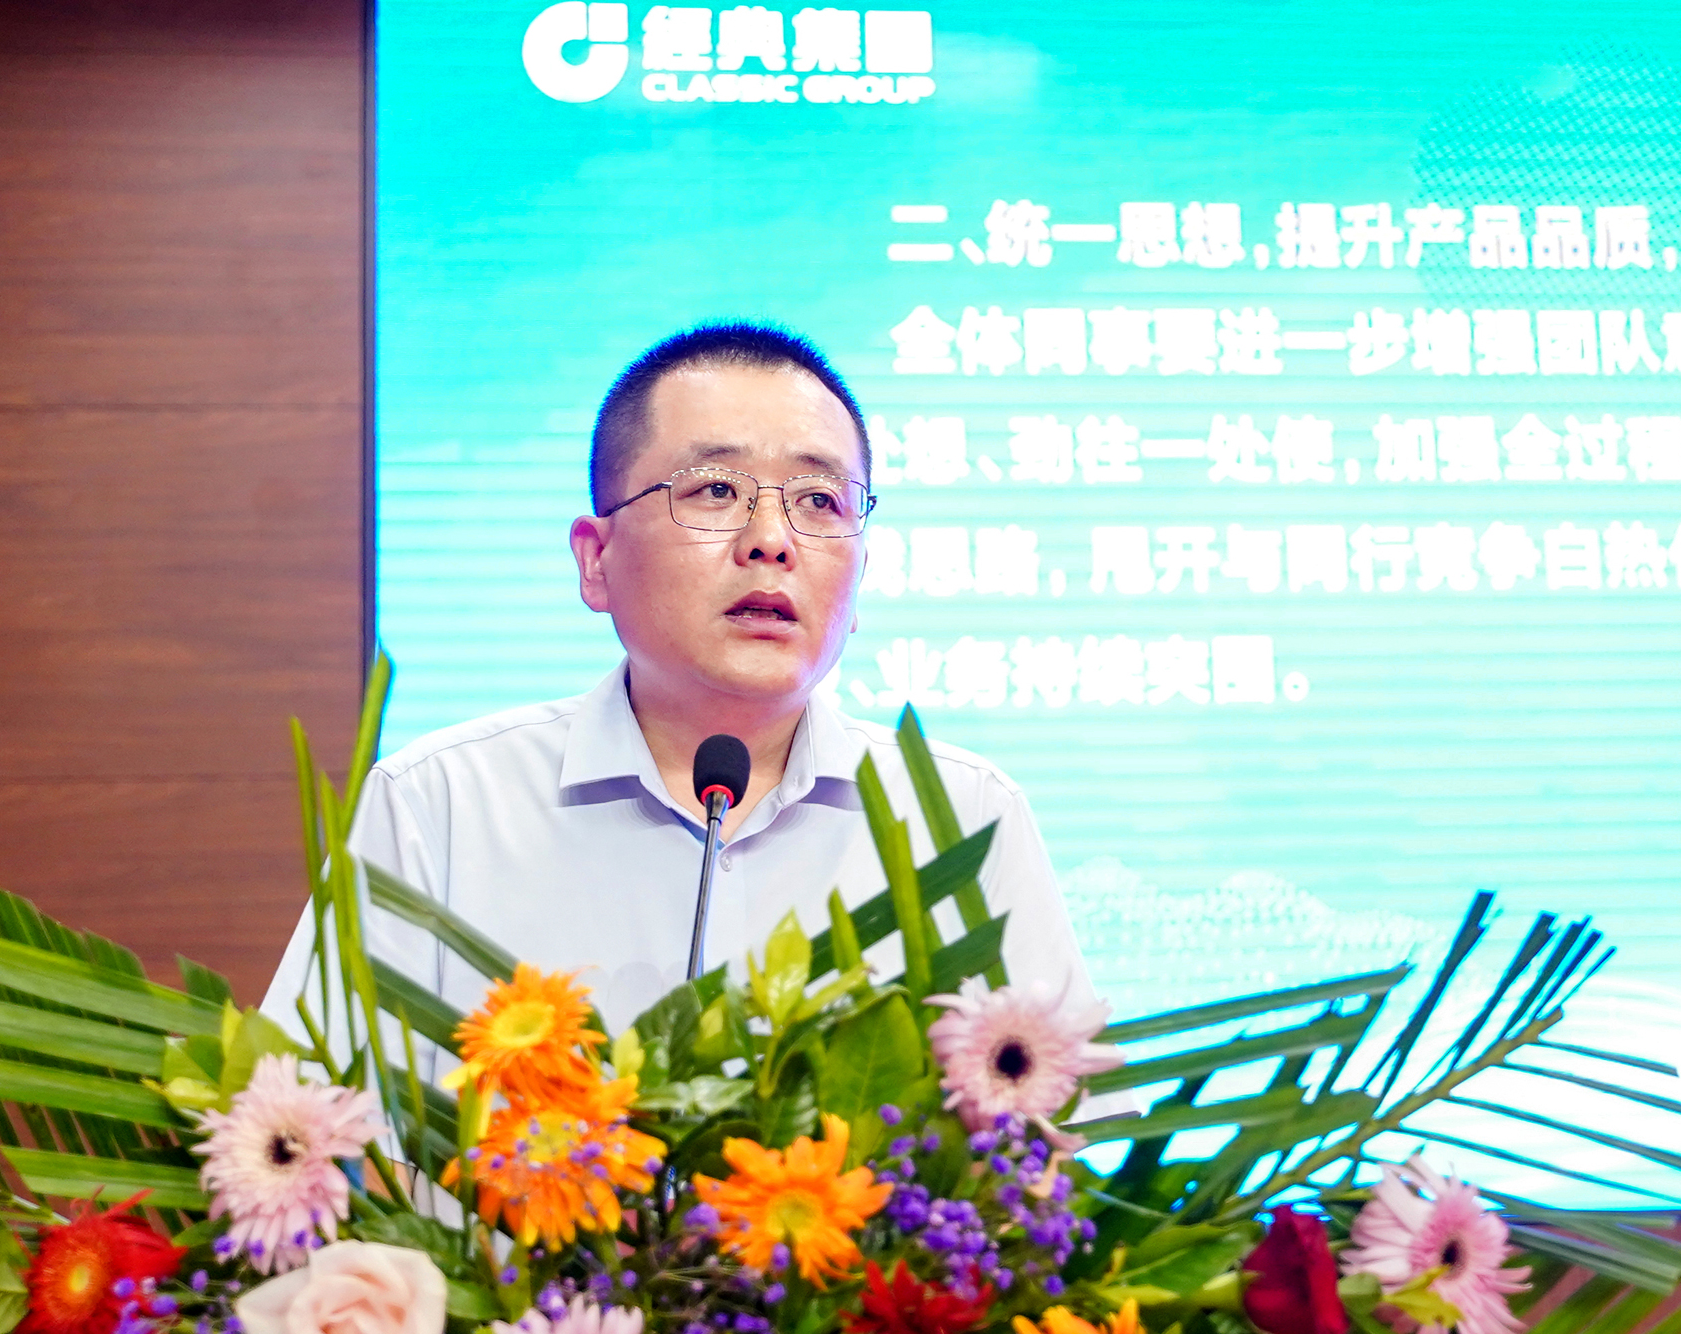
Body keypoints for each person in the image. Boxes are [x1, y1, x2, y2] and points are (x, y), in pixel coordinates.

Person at [259, 321, 1097, 1041]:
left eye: (820, 501)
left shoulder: (960, 820)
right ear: (596, 560)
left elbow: (1061, 1142)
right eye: (716, 489)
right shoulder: (440, 809)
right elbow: (298, 1129)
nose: (772, 540)